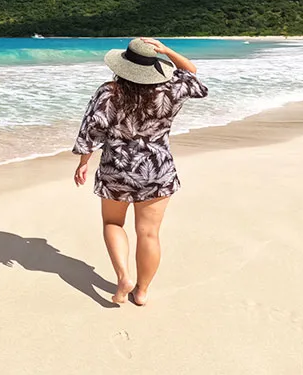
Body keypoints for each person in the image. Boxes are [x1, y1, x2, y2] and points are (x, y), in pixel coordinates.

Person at [72, 37, 208, 306]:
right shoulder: (172, 88)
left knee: (113, 224)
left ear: (123, 65)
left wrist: (83, 162)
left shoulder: (109, 92)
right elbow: (192, 72)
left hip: (116, 169)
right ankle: (142, 292)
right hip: (157, 168)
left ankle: (124, 276)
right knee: (149, 233)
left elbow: (91, 130)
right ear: (155, 65)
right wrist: (167, 50)